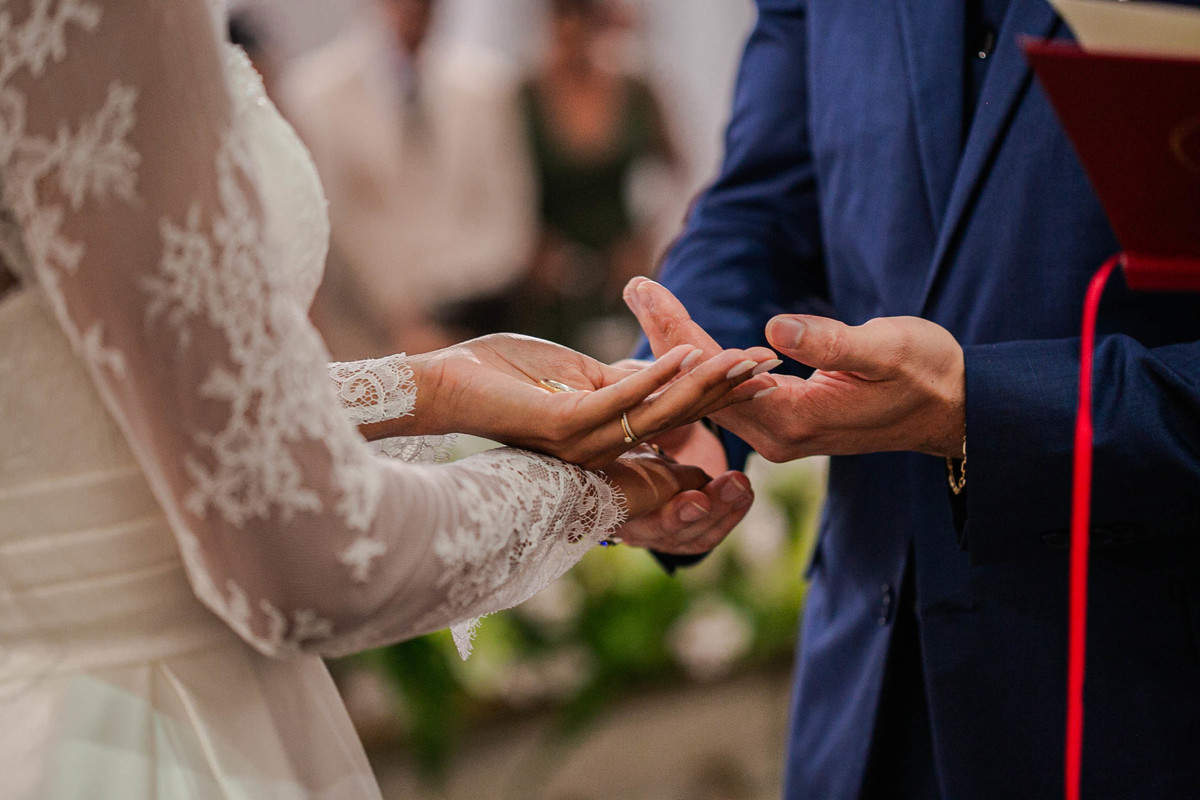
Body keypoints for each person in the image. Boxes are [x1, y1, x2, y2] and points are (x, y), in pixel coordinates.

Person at [0, 1, 778, 797]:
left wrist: (432, 388)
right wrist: (598, 490)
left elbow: (117, 415)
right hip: (137, 723)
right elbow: (304, 558)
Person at [623, 0, 1200, 798]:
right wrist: (682, 398)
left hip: (1147, 693)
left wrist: (989, 410)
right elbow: (764, 208)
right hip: (867, 694)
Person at [282, 0, 537, 356]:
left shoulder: (487, 87)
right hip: (360, 336)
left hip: (468, 326)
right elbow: (334, 221)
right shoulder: (314, 94)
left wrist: (440, 305)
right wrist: (399, 313)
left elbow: (508, 220)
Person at [513, 0, 684, 360]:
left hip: (621, 269)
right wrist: (531, 247)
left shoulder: (635, 90)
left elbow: (676, 169)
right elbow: (498, 187)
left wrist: (647, 237)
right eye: (562, 16)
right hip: (546, 282)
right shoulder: (522, 95)